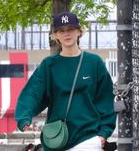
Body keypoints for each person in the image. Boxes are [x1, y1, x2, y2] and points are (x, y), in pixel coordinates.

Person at [15, 11, 116, 150]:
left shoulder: (94, 63)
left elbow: (105, 99)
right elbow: (33, 92)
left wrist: (103, 134)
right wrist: (24, 116)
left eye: (70, 29)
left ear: (79, 32)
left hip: (88, 139)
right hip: (56, 139)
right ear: (56, 35)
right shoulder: (49, 65)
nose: (66, 34)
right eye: (61, 31)